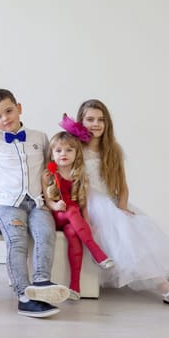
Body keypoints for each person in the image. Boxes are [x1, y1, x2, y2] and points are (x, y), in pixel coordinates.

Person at [75, 99, 169, 309]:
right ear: (81, 122)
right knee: (125, 232)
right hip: (89, 204)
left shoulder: (112, 150)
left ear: (107, 123)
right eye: (90, 119)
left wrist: (122, 208)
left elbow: (122, 186)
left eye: (101, 120)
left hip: (110, 202)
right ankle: (163, 287)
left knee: (139, 228)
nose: (96, 124)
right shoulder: (75, 149)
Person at [0, 89, 69, 318]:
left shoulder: (39, 137)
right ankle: (23, 295)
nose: (5, 118)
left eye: (9, 111)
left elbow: (49, 172)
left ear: (19, 108)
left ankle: (41, 282)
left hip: (38, 202)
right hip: (7, 204)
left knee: (45, 235)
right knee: (17, 243)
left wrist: (53, 200)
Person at [43, 126, 114, 301]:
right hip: (57, 215)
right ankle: (97, 252)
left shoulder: (80, 176)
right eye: (58, 150)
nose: (63, 153)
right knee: (70, 209)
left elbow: (83, 204)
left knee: (73, 234)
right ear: (52, 155)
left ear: (77, 153)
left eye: (69, 150)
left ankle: (75, 286)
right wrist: (55, 205)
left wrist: (88, 221)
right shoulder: (48, 175)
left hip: (73, 220)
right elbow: (47, 200)